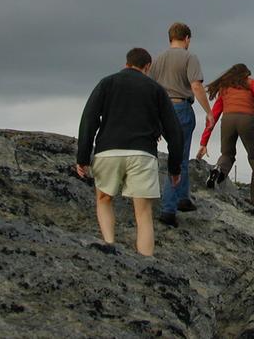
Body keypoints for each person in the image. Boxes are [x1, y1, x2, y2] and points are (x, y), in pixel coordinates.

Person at [76, 48, 183, 256]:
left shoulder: (107, 83)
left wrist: (83, 157)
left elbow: (89, 118)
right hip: (142, 153)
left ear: (126, 63)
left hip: (108, 151)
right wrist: (174, 168)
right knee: (143, 213)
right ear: (147, 67)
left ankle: (109, 244)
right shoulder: (156, 89)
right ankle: (145, 260)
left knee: (104, 199)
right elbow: (174, 131)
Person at [149, 22, 214, 227]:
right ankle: (169, 208)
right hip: (181, 107)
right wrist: (209, 111)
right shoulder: (189, 57)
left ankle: (183, 198)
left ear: (170, 38)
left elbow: (150, 87)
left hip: (161, 108)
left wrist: (154, 117)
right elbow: (196, 85)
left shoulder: (158, 59)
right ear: (187, 39)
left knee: (176, 154)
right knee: (179, 156)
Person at [196, 63, 254, 214]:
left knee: (227, 154)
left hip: (228, 120)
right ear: (245, 74)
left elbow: (213, 117)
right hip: (246, 120)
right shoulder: (250, 82)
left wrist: (204, 143)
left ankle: (218, 170)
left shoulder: (225, 88)